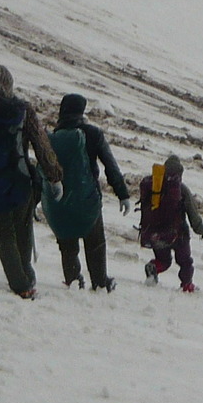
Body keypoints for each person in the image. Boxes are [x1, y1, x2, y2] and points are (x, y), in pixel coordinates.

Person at [0, 64, 60, 299]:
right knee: (22, 229)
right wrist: (54, 175)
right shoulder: (23, 110)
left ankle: (21, 284)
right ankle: (26, 275)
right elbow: (41, 144)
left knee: (2, 234)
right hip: (21, 180)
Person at [44, 93, 130, 291]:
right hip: (87, 198)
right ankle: (100, 282)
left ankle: (73, 280)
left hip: (60, 199)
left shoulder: (54, 137)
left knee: (67, 244)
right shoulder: (92, 133)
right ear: (81, 111)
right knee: (95, 243)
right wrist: (122, 193)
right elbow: (110, 165)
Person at [138, 155, 203, 292]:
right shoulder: (182, 190)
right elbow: (193, 214)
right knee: (185, 261)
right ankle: (187, 285)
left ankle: (154, 267)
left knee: (164, 261)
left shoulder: (153, 187)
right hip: (178, 234)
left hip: (156, 233)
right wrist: (201, 230)